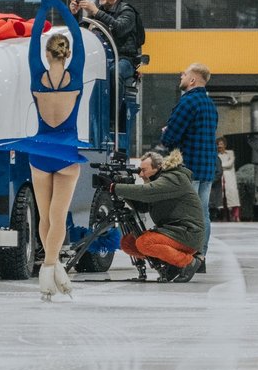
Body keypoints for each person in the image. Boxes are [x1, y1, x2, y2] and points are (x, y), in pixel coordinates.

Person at [0, 0, 88, 301]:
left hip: (40, 152)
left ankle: (51, 266)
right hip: (66, 152)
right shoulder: (75, 75)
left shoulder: (37, 75)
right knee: (59, 217)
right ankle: (49, 267)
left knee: (45, 217)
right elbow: (77, 35)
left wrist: (45, 8)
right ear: (68, 54)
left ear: (47, 54)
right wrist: (63, 8)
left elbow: (33, 41)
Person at [96, 149, 204, 282]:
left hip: (187, 234)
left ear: (157, 168)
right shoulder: (161, 181)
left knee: (144, 242)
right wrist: (123, 190)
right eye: (139, 170)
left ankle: (188, 262)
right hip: (174, 232)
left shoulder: (174, 178)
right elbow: (142, 206)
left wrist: (115, 187)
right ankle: (172, 265)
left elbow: (148, 192)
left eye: (144, 170)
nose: (140, 174)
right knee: (128, 243)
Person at [159, 63, 218, 274]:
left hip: (189, 168)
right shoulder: (210, 104)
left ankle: (184, 259)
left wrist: (165, 132)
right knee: (202, 214)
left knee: (184, 216)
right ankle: (200, 257)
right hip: (207, 169)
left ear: (192, 80)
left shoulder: (188, 102)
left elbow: (171, 137)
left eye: (184, 74)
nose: (181, 76)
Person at [69, 0, 142, 91]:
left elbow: (119, 29)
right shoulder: (98, 13)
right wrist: (74, 15)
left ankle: (113, 109)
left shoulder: (127, 11)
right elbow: (80, 35)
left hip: (123, 58)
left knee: (114, 72)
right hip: (101, 57)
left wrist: (96, 12)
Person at [216, 136, 241, 222]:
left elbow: (229, 164)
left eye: (221, 144)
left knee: (232, 197)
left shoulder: (230, 153)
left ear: (225, 145)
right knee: (221, 198)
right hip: (220, 177)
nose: (220, 146)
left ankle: (236, 216)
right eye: (218, 144)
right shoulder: (216, 155)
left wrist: (220, 165)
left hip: (229, 177)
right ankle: (223, 217)